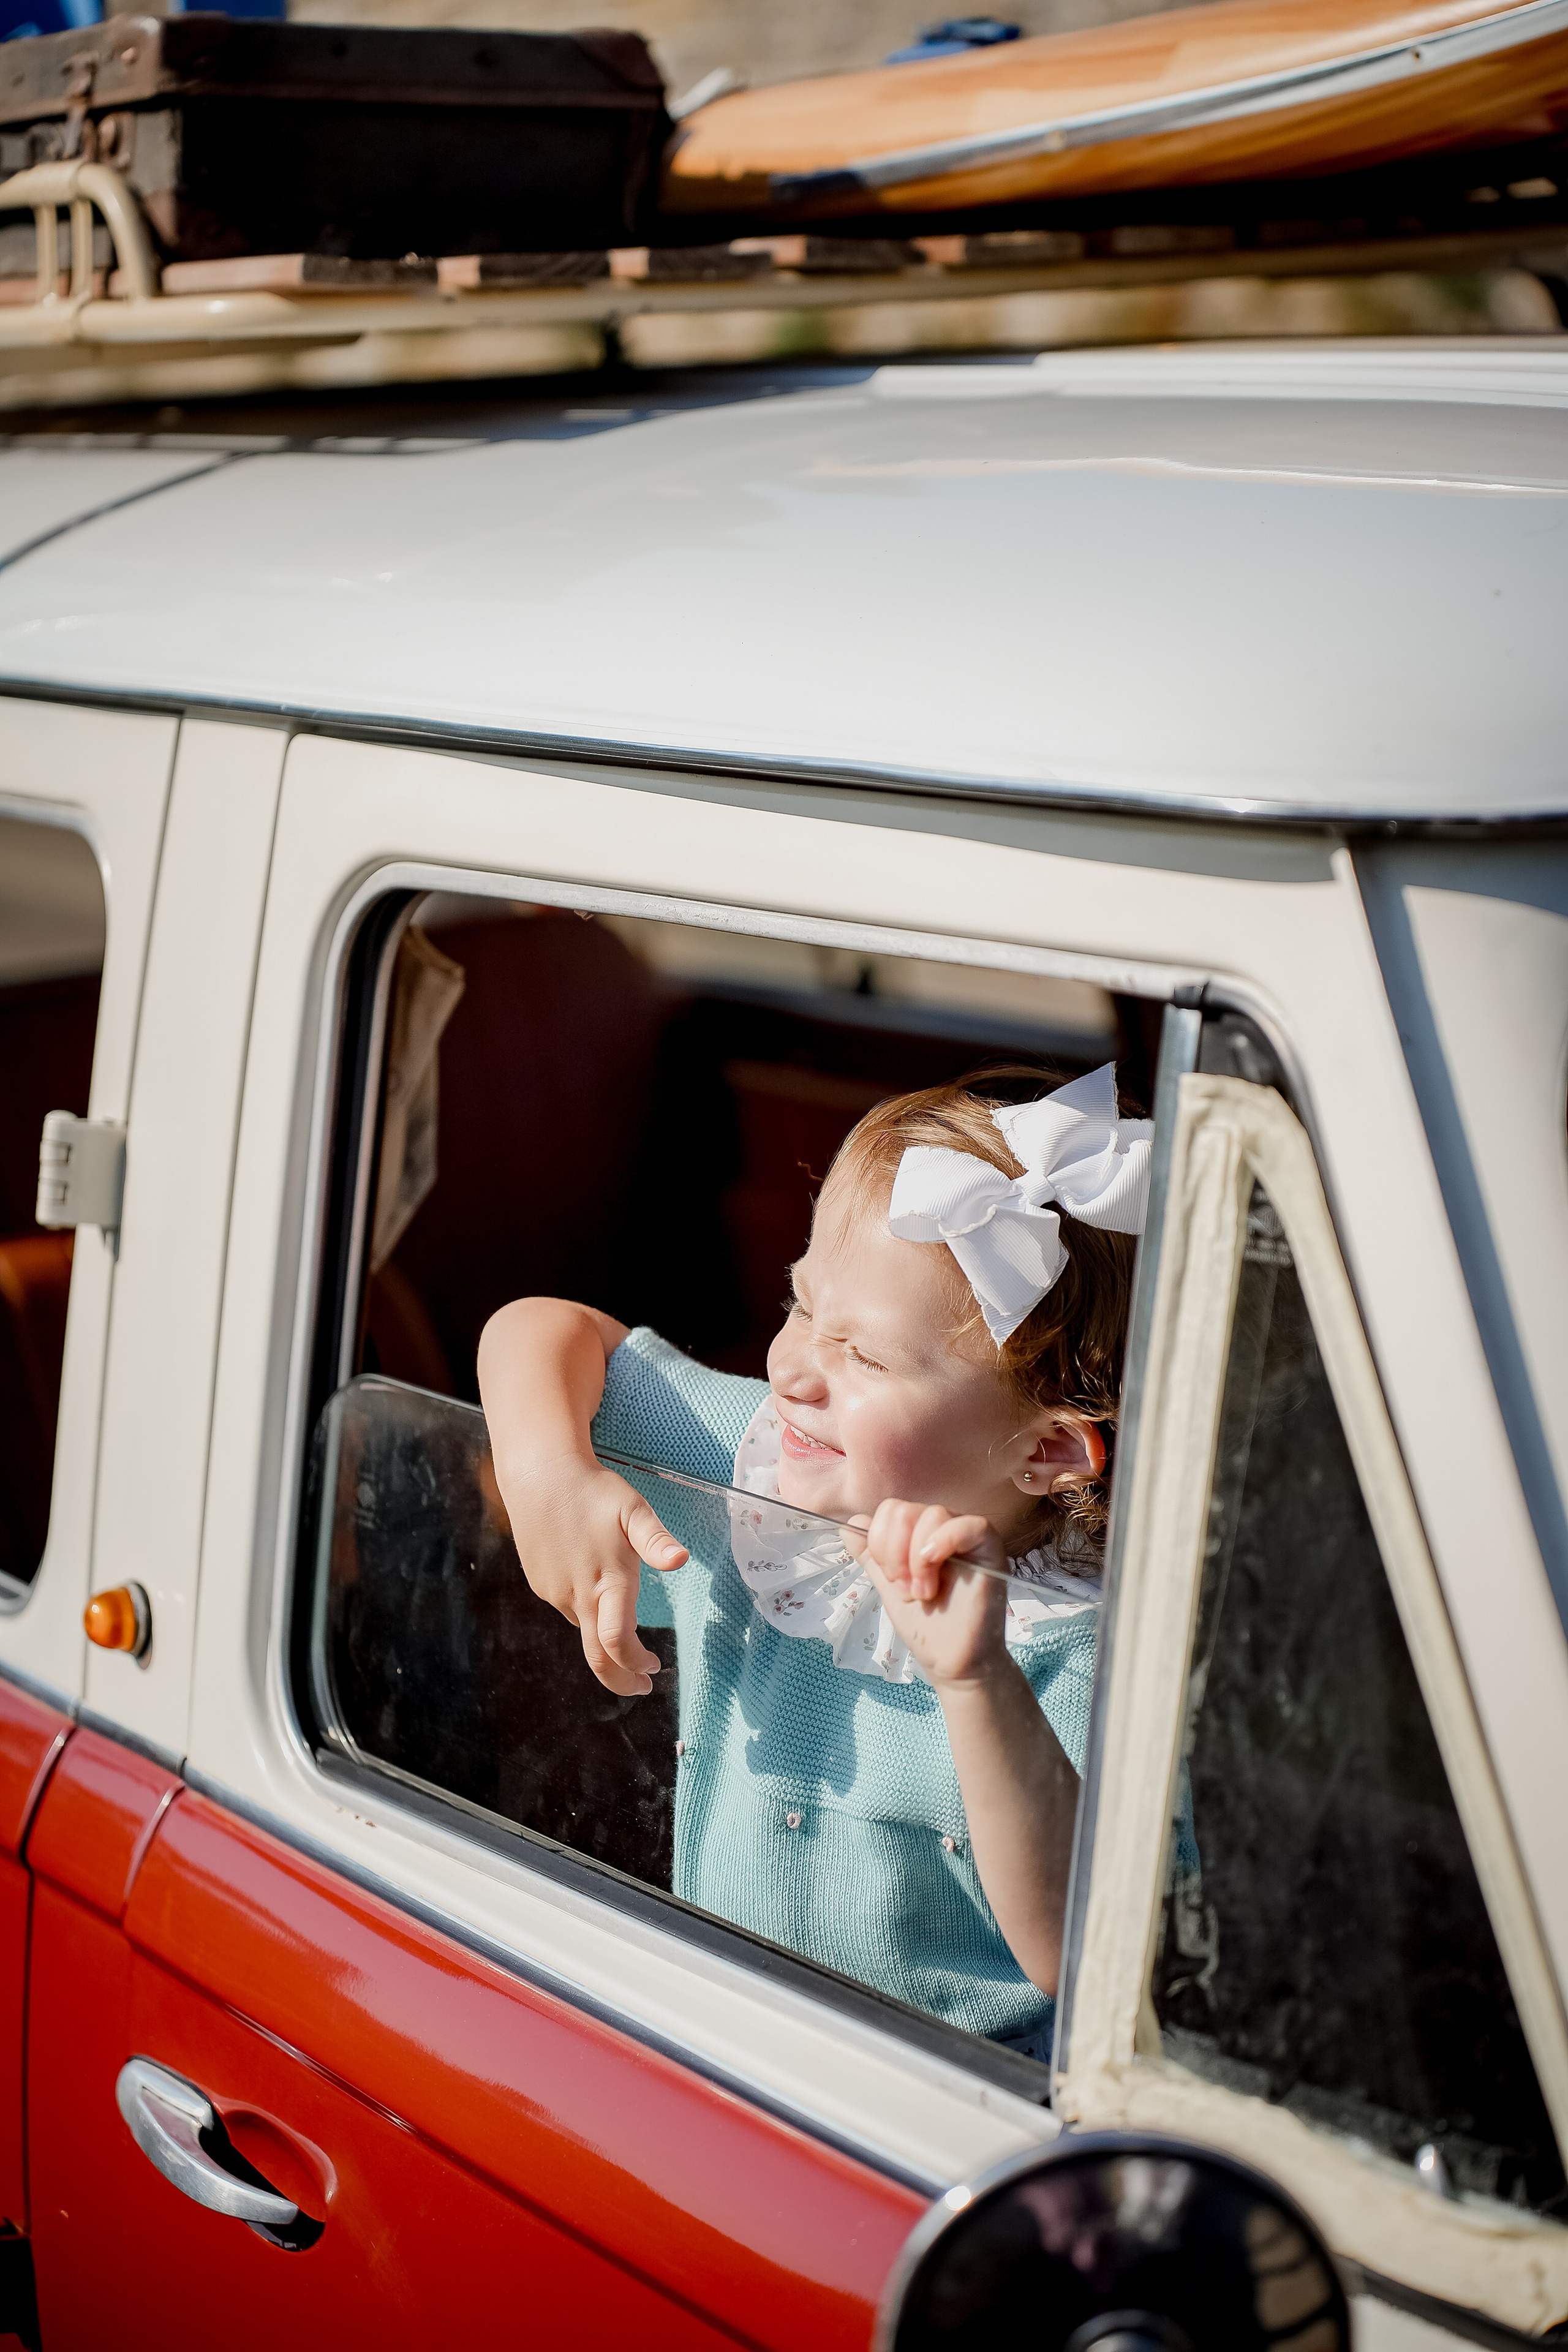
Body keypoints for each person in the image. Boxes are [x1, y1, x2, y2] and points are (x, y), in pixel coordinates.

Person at [477, 1063, 1149, 2059]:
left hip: (938, 2117)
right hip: (716, 2046)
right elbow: (542, 1329)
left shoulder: (1089, 1655)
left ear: (1046, 1450)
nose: (789, 1367)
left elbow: (1087, 1965)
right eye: (799, 1305)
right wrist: (545, 1473)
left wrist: (976, 1683)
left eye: (865, 1359)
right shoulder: (765, 1477)